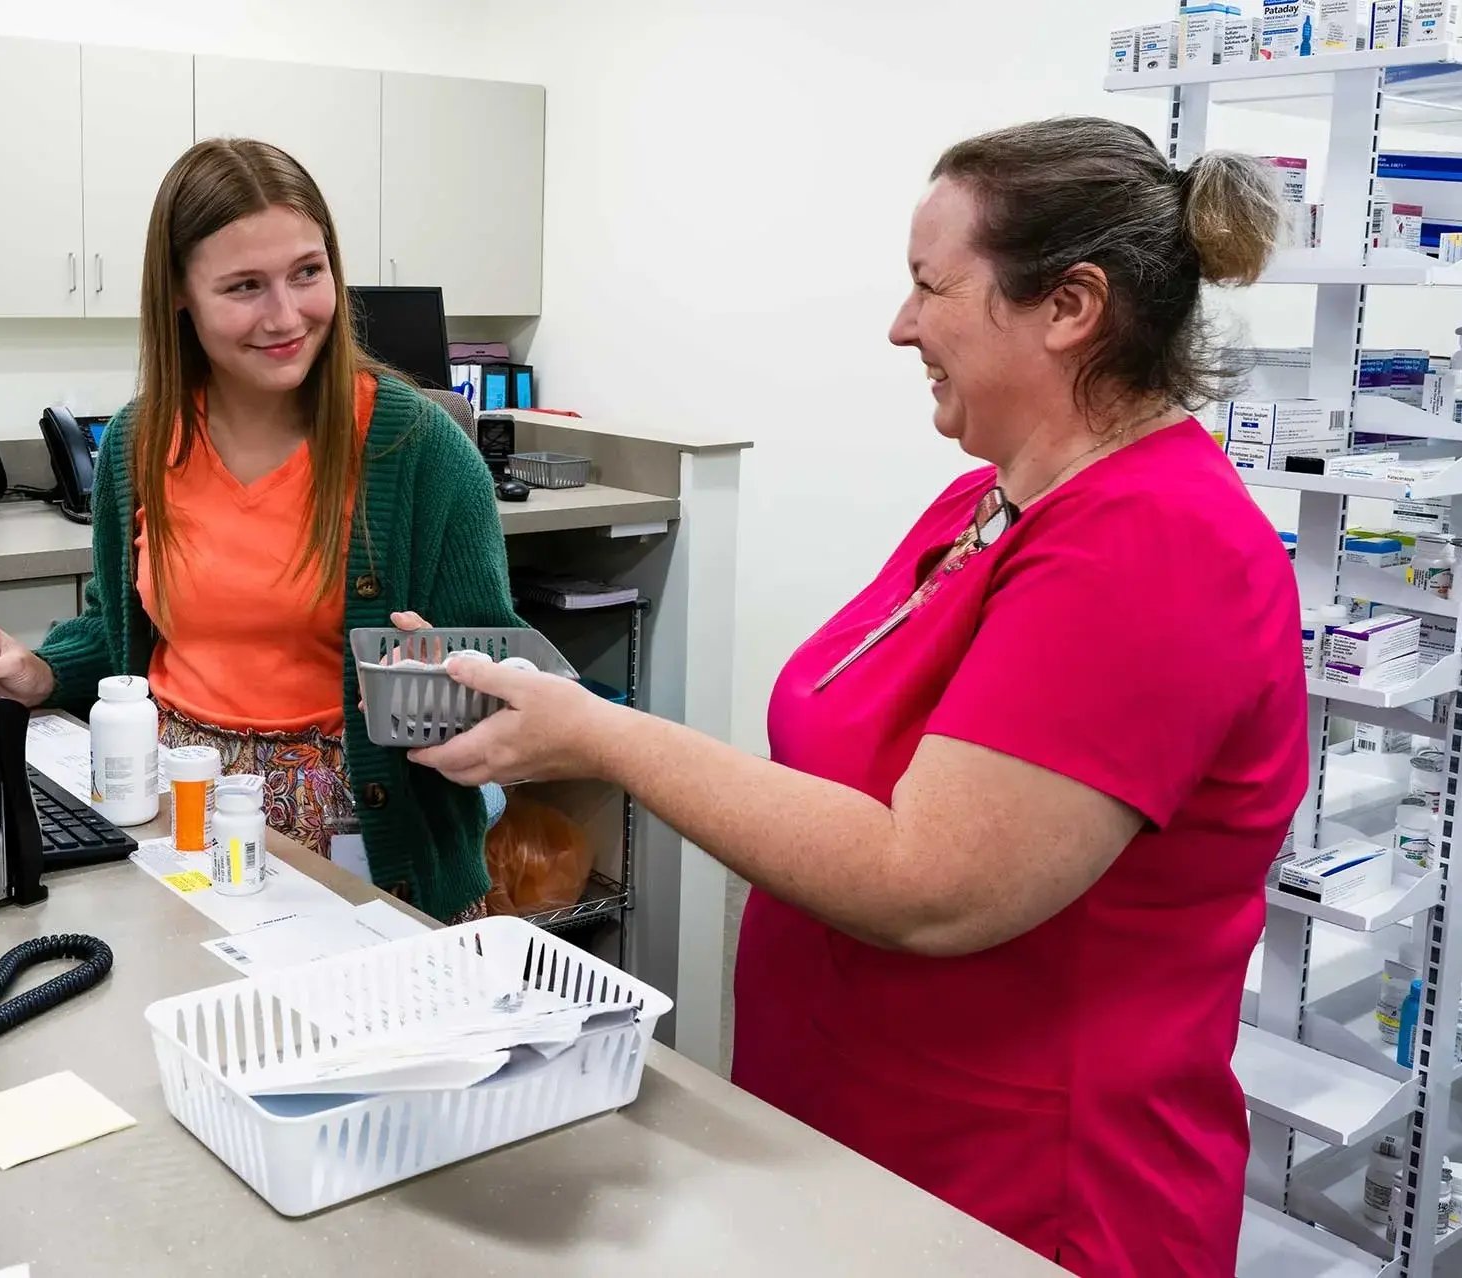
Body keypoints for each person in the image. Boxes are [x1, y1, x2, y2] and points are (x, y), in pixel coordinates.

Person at [408, 117, 1305, 1274]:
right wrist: (542, 700)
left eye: (930, 288)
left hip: (1024, 1197)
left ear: (1069, 308)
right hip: (863, 1143)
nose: (899, 326)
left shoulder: (1154, 550)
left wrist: (603, 738)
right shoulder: (983, 509)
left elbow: (927, 883)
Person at [0, 138, 519, 924]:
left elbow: (504, 683)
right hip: (177, 819)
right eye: (244, 286)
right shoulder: (140, 445)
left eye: (308, 272)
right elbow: (121, 631)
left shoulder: (419, 452)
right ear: (180, 295)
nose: (286, 315)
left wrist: (446, 678)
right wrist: (33, 669)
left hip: (367, 850)